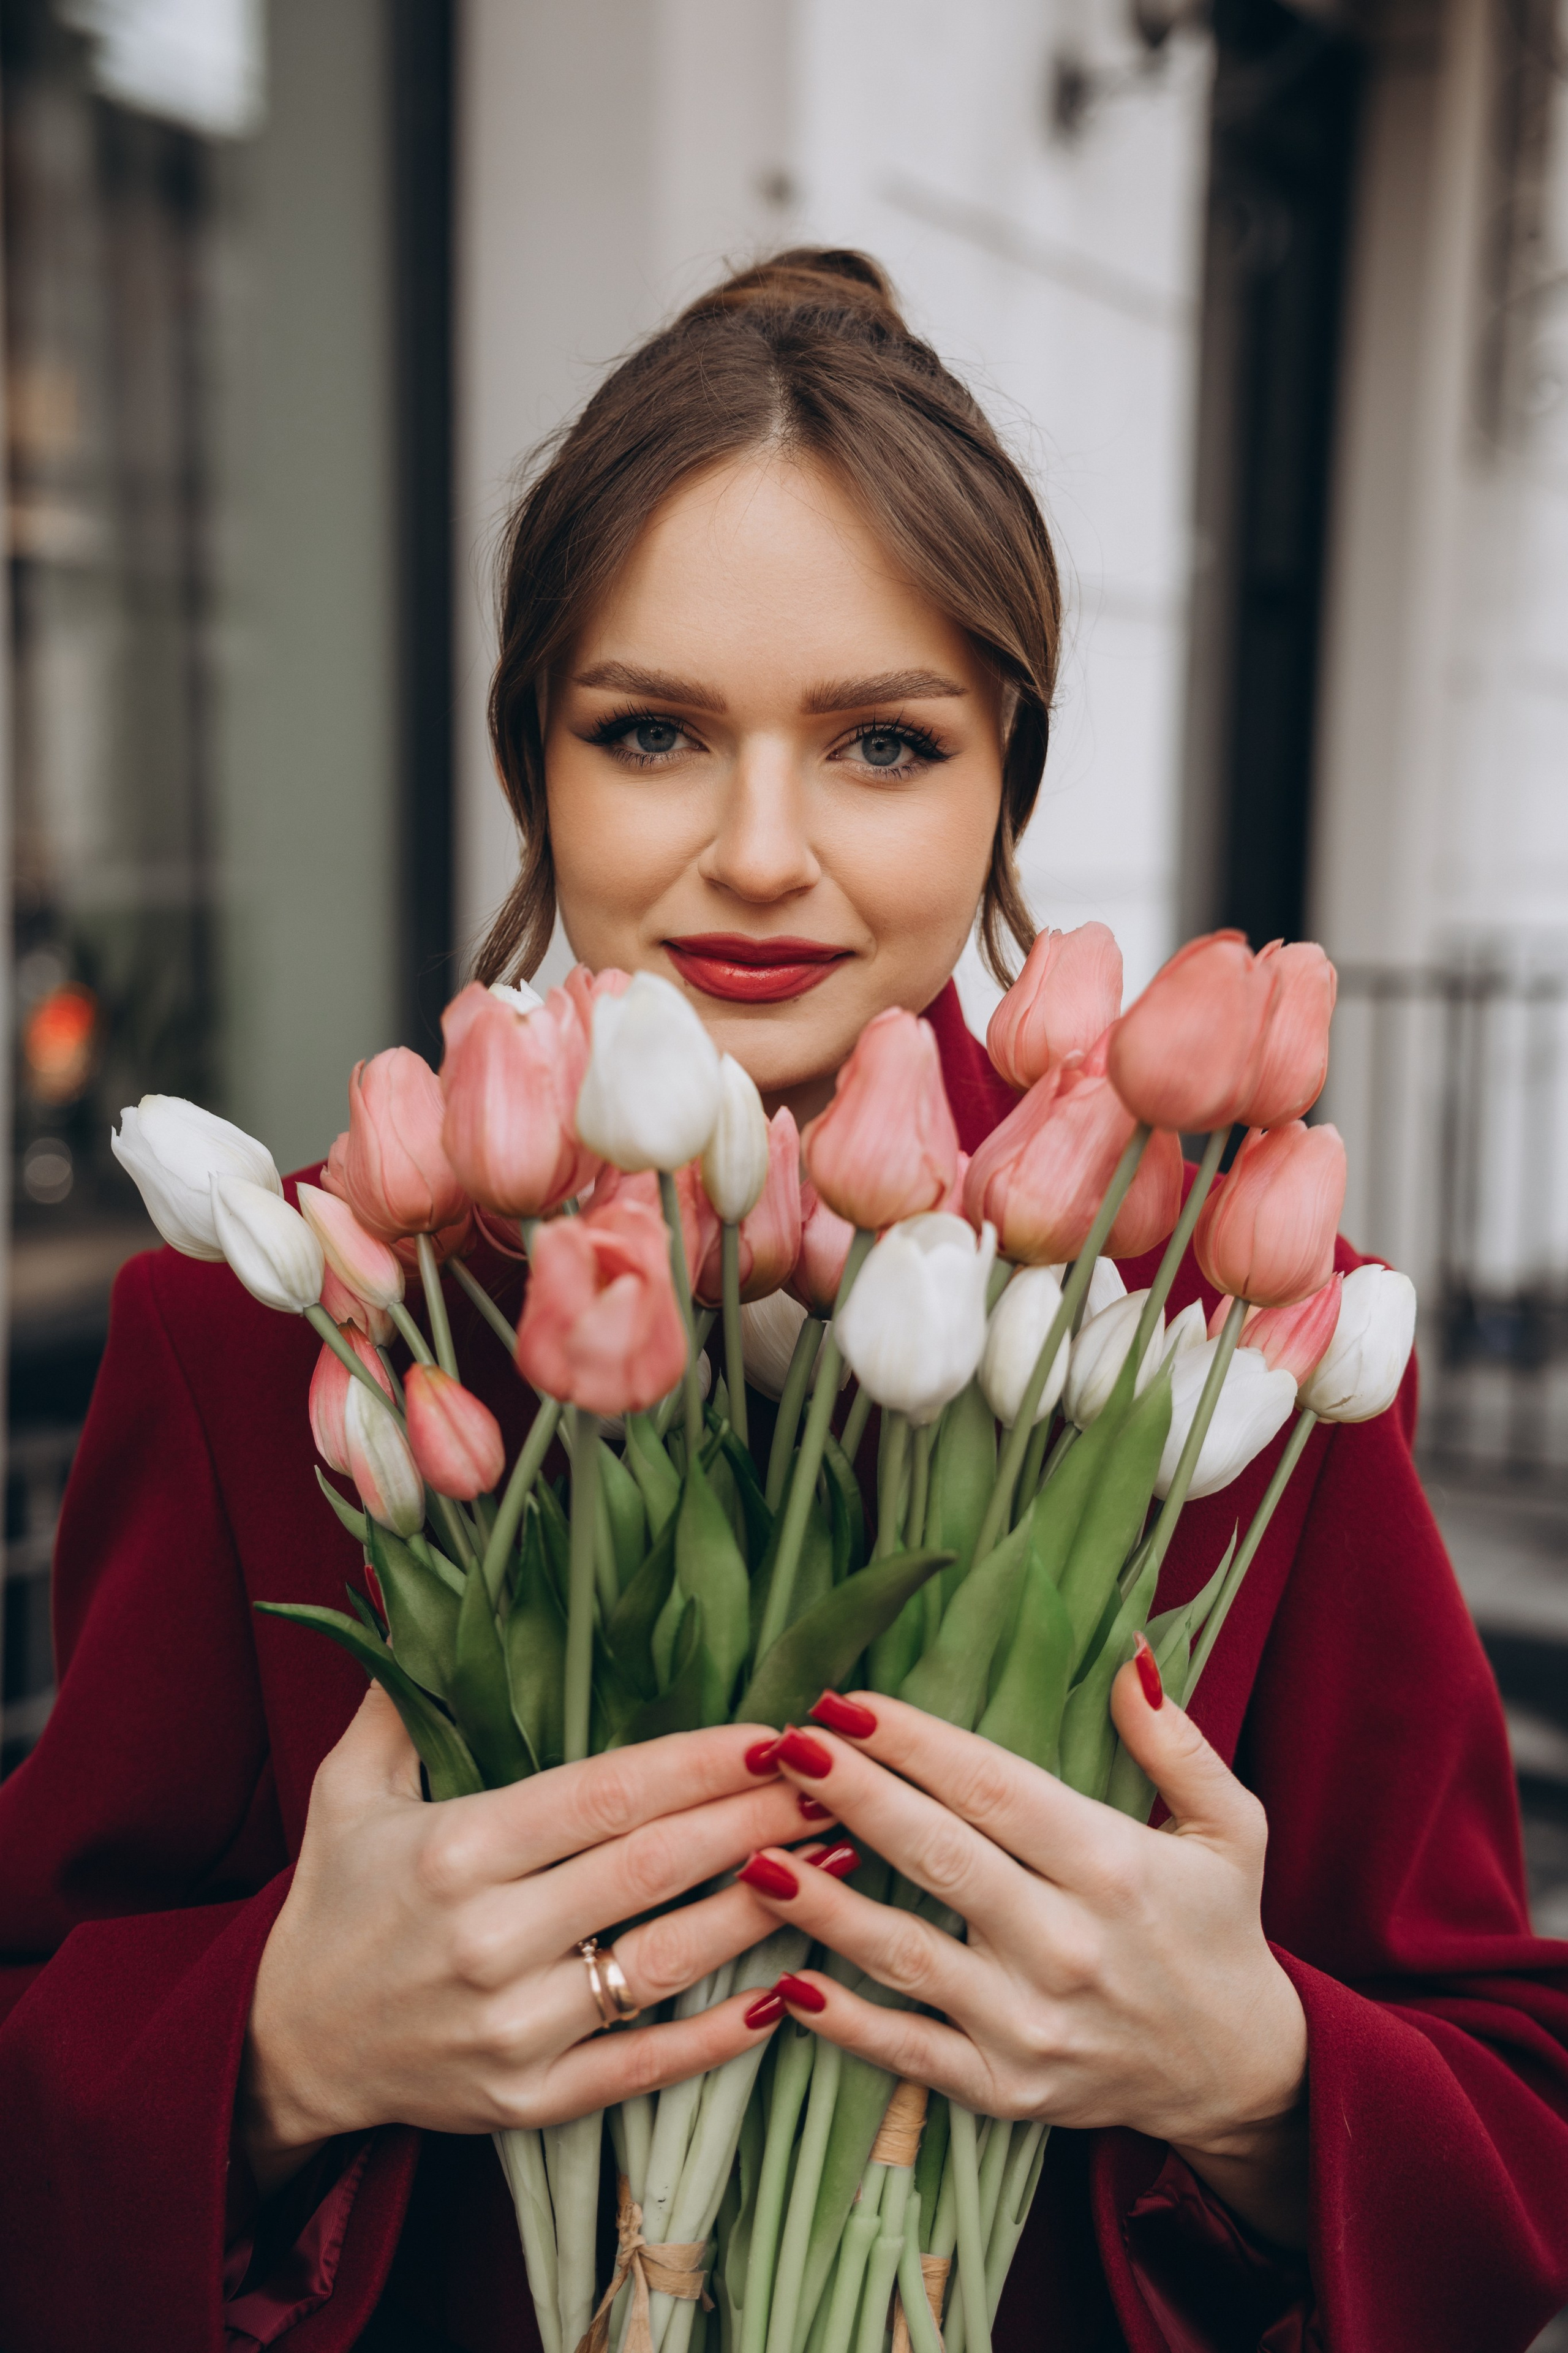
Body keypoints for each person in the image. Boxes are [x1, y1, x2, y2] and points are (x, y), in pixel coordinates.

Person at [1, 249, 1564, 2353]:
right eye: (649, 730)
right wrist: (278, 2049)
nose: (759, 850)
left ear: (1006, 779)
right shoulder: (291, 1330)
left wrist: (1257, 2073)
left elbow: (1513, 2113)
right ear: (533, 763)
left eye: (883, 744)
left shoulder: (1223, 1348)